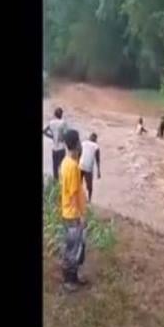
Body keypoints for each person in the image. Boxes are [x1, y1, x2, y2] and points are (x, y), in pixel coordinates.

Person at [59, 129, 88, 292]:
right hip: (73, 214)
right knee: (73, 248)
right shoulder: (73, 167)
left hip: (67, 212)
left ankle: (73, 277)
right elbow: (75, 194)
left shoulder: (65, 162)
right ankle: (69, 281)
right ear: (76, 143)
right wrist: (82, 215)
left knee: (74, 246)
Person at [43, 107, 68, 180]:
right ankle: (63, 183)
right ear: (61, 115)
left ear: (54, 114)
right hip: (62, 148)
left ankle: (55, 183)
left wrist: (52, 137)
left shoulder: (51, 123)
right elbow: (66, 134)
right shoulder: (63, 123)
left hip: (54, 149)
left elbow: (44, 131)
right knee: (62, 167)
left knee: (55, 167)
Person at [79, 133, 101, 202]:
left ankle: (79, 197)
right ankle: (89, 199)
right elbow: (97, 159)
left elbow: (79, 153)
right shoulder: (96, 146)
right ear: (95, 140)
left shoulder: (83, 143)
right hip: (88, 168)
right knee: (89, 186)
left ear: (89, 138)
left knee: (79, 183)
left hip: (80, 165)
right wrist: (98, 171)